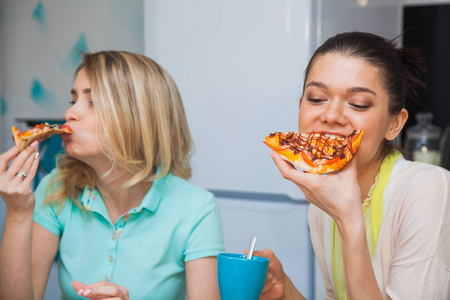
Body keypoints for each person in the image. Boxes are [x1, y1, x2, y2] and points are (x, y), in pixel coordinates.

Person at [0, 51, 225, 300]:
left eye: (93, 102)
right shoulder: (56, 187)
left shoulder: (196, 209)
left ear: (139, 117)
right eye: (72, 100)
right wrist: (18, 213)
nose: (69, 114)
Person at [254, 32, 450, 299]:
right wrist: (285, 292)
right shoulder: (321, 206)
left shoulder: (428, 190)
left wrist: (349, 220)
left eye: (358, 104)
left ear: (395, 124)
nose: (331, 115)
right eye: (316, 98)